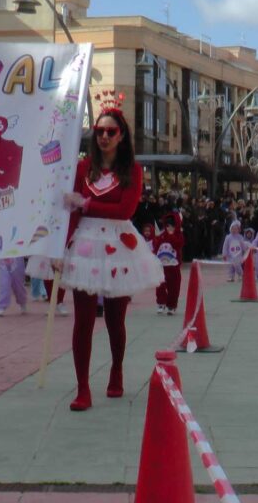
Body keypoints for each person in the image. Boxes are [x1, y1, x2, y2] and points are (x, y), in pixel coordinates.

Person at [57, 101, 163, 411]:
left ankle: (116, 370)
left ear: (121, 136)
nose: (104, 136)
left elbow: (124, 210)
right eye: (100, 131)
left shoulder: (133, 170)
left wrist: (86, 204)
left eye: (111, 132)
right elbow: (71, 211)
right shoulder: (82, 168)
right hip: (85, 245)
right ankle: (82, 387)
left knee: (116, 319)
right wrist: (60, 248)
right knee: (83, 320)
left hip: (119, 245)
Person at [153, 213, 184, 315]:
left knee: (174, 287)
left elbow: (178, 245)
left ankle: (171, 306)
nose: (170, 228)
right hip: (162, 266)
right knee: (160, 285)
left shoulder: (179, 235)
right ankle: (161, 303)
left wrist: (171, 236)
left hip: (174, 266)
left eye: (172, 226)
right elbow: (156, 248)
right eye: (167, 226)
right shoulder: (161, 236)